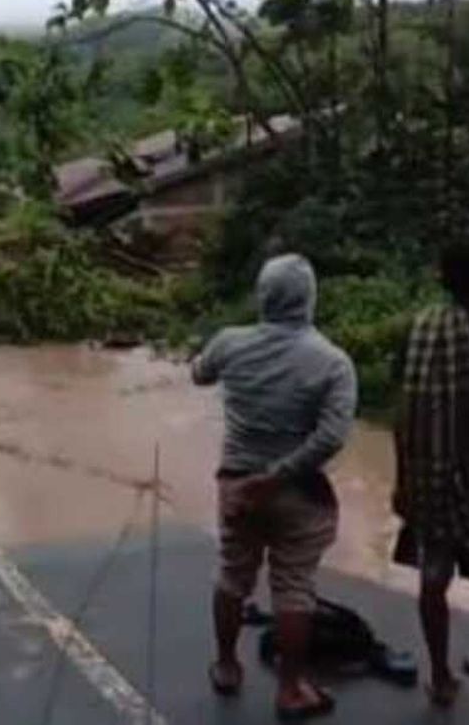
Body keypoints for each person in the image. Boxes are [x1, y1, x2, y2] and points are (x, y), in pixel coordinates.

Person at [192, 253, 357, 720]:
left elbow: (199, 373)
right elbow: (331, 437)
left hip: (238, 486)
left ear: (262, 297)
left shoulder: (230, 343)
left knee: (232, 574)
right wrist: (279, 476)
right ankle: (290, 689)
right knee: (293, 587)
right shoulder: (333, 363)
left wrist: (202, 356)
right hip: (298, 491)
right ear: (310, 300)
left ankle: (226, 665)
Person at [391, 238, 469, 707]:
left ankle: (441, 675)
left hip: (430, 476)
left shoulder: (423, 327)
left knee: (434, 573)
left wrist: (403, 479)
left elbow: (402, 410)